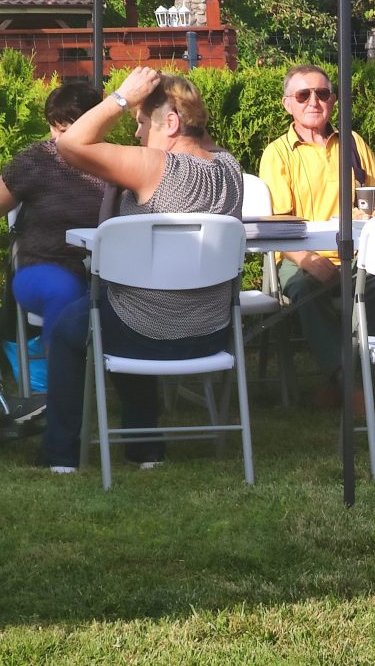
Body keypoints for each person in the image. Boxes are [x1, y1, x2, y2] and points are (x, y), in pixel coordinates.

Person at [42, 68, 244, 473]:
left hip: (142, 332)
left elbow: (70, 144)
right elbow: (201, 143)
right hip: (212, 333)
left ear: (170, 122)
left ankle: (62, 455)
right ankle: (145, 448)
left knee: (72, 326)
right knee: (127, 304)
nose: (136, 134)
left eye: (141, 123)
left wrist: (121, 96)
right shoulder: (230, 169)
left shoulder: (154, 166)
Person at [259, 64, 375, 407]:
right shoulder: (277, 154)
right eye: (303, 95)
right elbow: (278, 225)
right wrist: (308, 259)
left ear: (333, 100)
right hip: (301, 257)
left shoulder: (353, 143)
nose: (314, 101)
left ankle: (344, 376)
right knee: (304, 290)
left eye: (322, 93)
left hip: (357, 255)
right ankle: (348, 380)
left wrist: (369, 215)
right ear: (288, 104)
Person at [0, 83, 105, 368]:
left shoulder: (117, 160)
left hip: (105, 272)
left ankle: (138, 379)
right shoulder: (35, 161)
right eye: (56, 129)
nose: (58, 139)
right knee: (63, 291)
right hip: (44, 267)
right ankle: (62, 380)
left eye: (68, 130)